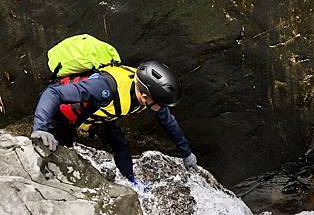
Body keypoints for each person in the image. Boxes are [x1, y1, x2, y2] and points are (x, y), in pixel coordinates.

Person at [31, 60, 197, 185]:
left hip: (102, 115)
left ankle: (131, 183)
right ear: (145, 96)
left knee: (121, 145)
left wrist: (186, 153)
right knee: (61, 153)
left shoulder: (146, 92)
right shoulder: (104, 87)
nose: (162, 108)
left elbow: (169, 122)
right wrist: (41, 128)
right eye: (161, 103)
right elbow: (53, 93)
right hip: (62, 115)